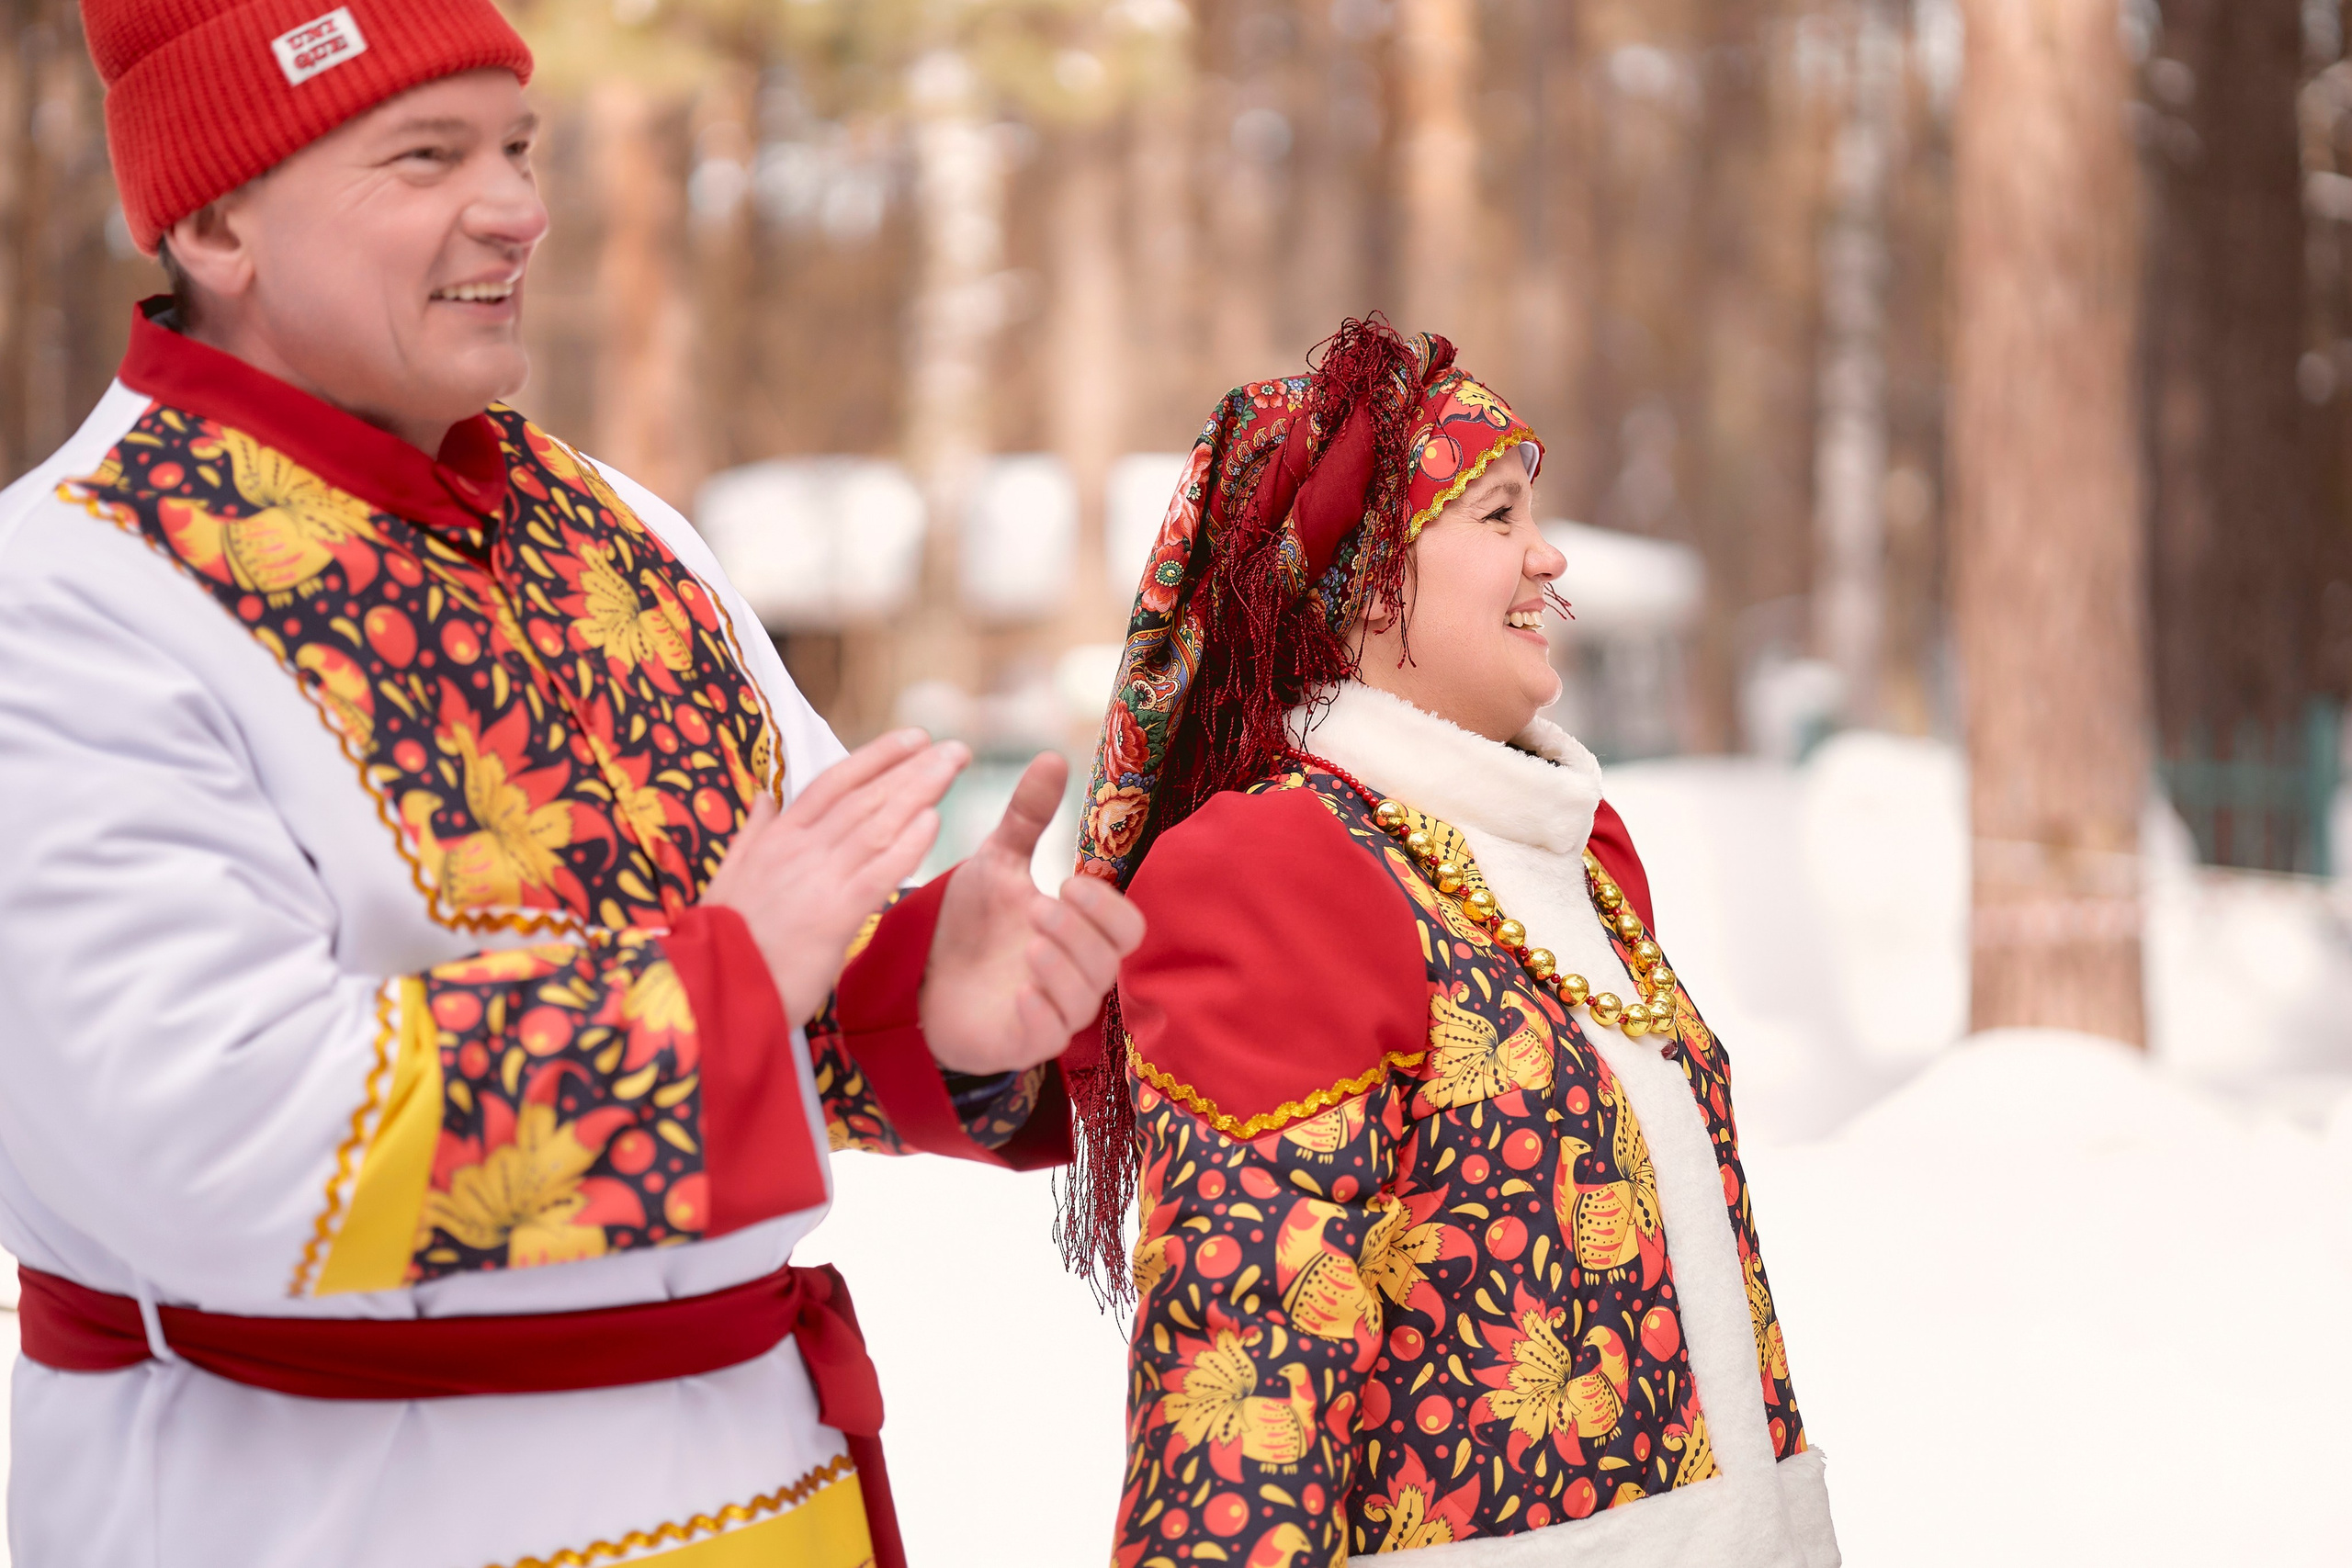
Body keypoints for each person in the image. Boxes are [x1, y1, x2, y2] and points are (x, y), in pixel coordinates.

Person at [0, 4, 1140, 1565]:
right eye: (427, 156)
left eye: (520, 148)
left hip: (766, 1494)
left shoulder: (611, 528)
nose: (519, 208)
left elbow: (778, 976)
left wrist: (917, 996)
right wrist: (726, 983)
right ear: (214, 219)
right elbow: (200, 1144)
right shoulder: (66, 595)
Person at [1062, 320, 1838, 1564]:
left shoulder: (1570, 853)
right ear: (1362, 577)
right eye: (1495, 515)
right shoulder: (1277, 868)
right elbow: (1244, 1387)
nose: (1548, 556)